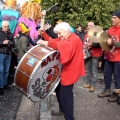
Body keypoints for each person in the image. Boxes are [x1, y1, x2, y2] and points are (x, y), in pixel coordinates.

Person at [37, 22, 85, 120]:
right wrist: (44, 34)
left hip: (70, 70)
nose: (59, 36)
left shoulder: (74, 38)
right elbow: (55, 41)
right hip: (65, 69)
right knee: (58, 90)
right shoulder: (67, 37)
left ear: (65, 31)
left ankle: (69, 117)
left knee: (66, 95)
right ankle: (62, 110)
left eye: (60, 33)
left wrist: (44, 42)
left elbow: (59, 45)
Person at [98, 11, 120, 102]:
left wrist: (113, 42)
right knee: (106, 74)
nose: (112, 19)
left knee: (117, 77)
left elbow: (116, 43)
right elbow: (106, 41)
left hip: (118, 58)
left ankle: (116, 93)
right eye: (112, 17)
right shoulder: (110, 29)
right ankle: (107, 90)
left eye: (115, 17)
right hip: (108, 57)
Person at [83, 22, 102, 92]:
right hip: (87, 54)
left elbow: (100, 44)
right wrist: (85, 46)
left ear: (94, 26)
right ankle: (88, 83)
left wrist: (91, 45)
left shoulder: (98, 34)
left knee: (94, 71)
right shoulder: (86, 34)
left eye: (90, 25)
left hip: (95, 54)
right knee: (88, 70)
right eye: (88, 25)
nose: (88, 26)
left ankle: (93, 85)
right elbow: (84, 43)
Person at [0, 21, 15, 95]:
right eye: (5, 27)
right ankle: (1, 86)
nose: (6, 28)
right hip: (1, 54)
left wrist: (10, 43)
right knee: (1, 70)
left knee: (6, 71)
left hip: (8, 54)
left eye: (7, 26)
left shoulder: (10, 34)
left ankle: (5, 84)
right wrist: (3, 43)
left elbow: (13, 43)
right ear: (2, 26)